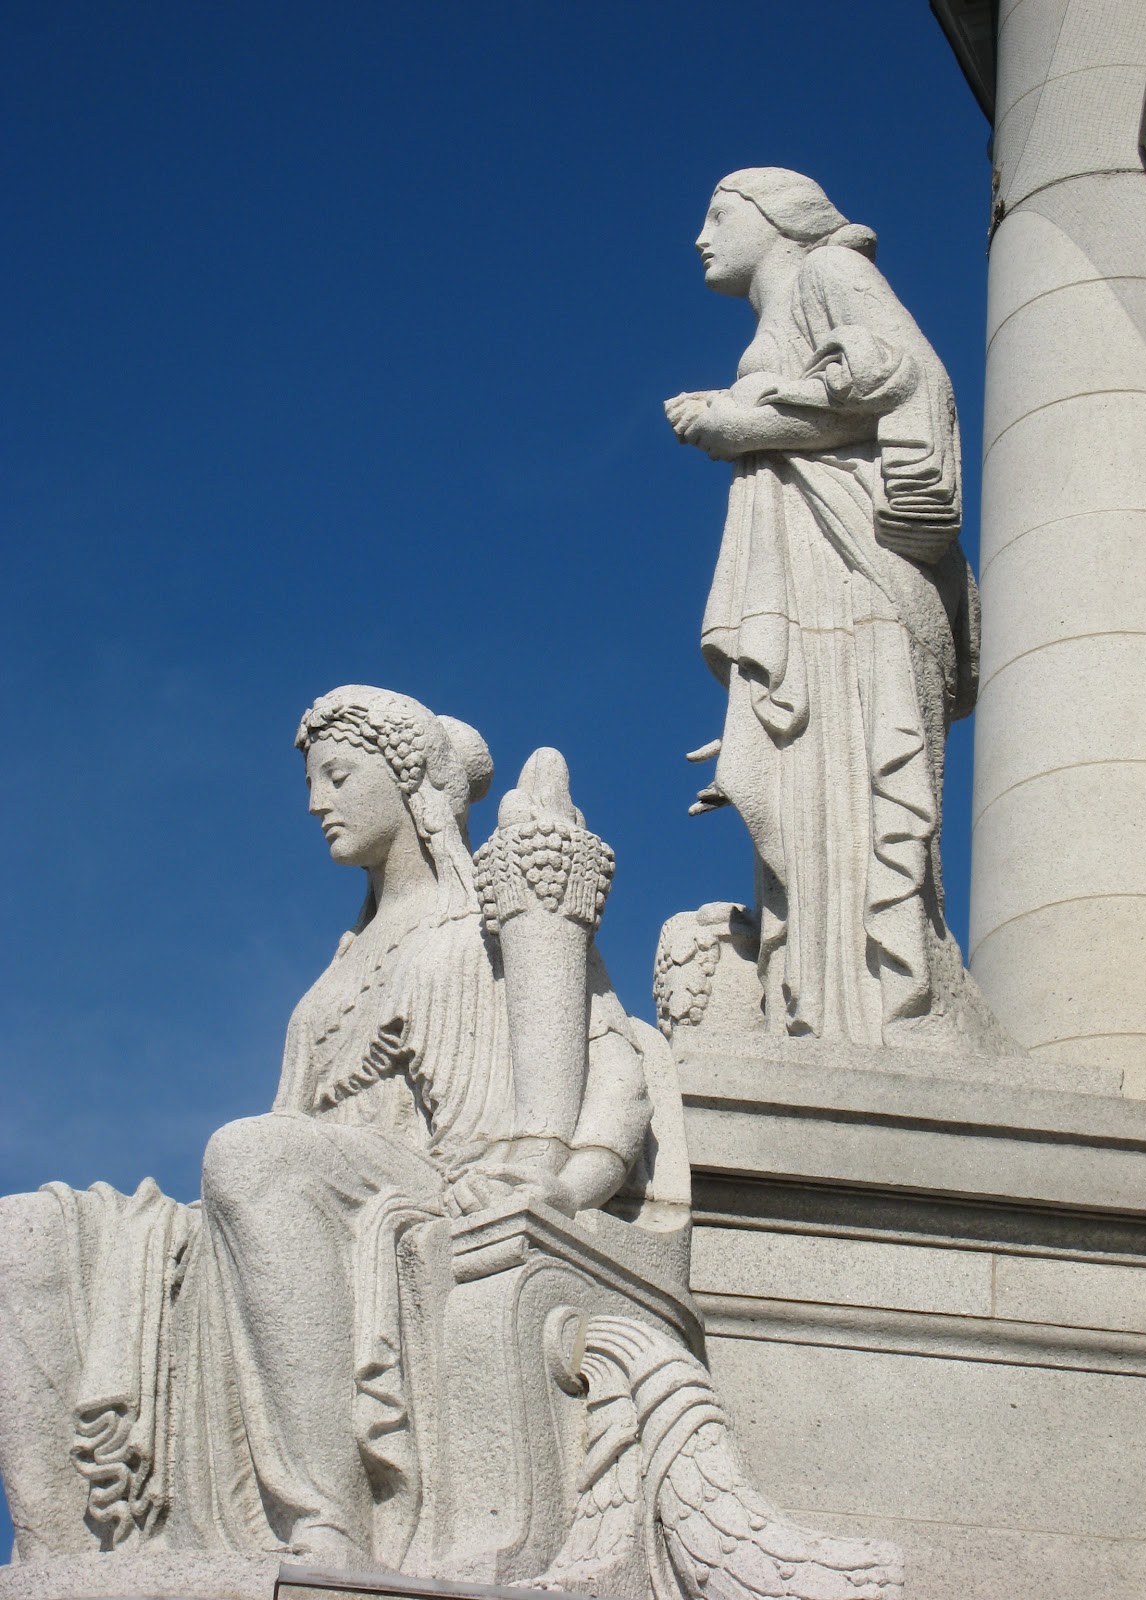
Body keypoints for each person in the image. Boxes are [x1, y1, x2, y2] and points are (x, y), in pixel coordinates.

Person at [0, 686, 650, 1568]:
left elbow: (616, 1061)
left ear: (408, 776)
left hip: (435, 1191)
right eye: (315, 782)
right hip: (294, 1199)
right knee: (27, 1233)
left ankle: (330, 1520)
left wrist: (567, 1177)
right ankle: (65, 1554)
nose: (317, 803)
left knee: (251, 1153)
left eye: (339, 776)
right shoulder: (343, 963)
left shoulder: (488, 919)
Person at [666, 168, 979, 1047]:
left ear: (776, 219)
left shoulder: (830, 274)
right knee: (807, 798)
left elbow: (904, 377)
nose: (702, 235)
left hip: (861, 581)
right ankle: (821, 1014)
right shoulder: (785, 309)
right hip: (814, 590)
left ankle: (884, 1015)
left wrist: (745, 423)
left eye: (718, 212)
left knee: (867, 797)